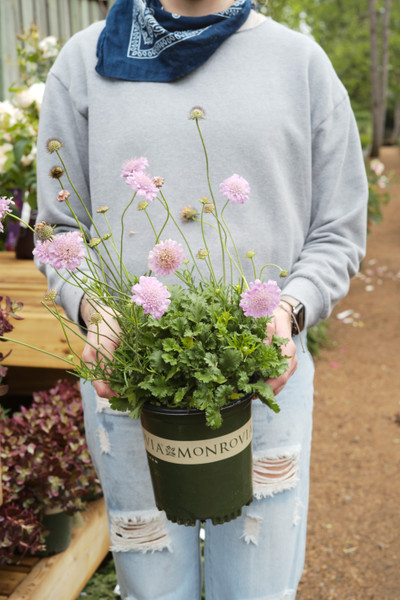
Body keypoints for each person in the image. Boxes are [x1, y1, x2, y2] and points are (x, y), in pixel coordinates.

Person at [36, 0, 368, 597]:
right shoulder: (86, 62)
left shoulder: (301, 66)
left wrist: (288, 309)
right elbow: (61, 229)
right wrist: (95, 310)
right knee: (152, 583)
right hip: (129, 380)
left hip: (267, 379)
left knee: (258, 586)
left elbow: (337, 228)